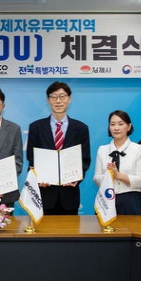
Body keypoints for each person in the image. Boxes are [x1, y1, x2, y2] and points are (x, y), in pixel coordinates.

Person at [26, 81, 91, 215]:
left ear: (69, 99)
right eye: (54, 97)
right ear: (48, 100)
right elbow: (31, 158)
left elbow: (85, 159)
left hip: (69, 195)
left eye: (62, 96)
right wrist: (37, 177)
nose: (58, 101)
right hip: (44, 195)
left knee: (70, 229)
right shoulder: (36, 128)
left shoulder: (81, 128)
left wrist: (76, 178)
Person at [94, 110, 141, 215]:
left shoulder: (138, 149)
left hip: (130, 200)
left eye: (120, 124)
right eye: (112, 124)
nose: (116, 128)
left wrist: (118, 175)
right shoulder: (102, 150)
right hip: (106, 199)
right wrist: (109, 175)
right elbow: (96, 178)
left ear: (129, 126)